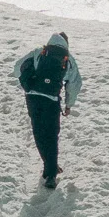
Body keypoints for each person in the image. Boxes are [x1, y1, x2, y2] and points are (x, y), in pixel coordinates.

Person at [15, 32, 83, 189]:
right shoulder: (68, 59)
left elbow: (17, 67)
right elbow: (74, 83)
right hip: (51, 99)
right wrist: (68, 105)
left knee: (38, 132)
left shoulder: (39, 52)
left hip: (33, 98)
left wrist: (29, 82)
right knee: (52, 134)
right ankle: (51, 172)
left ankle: (49, 166)